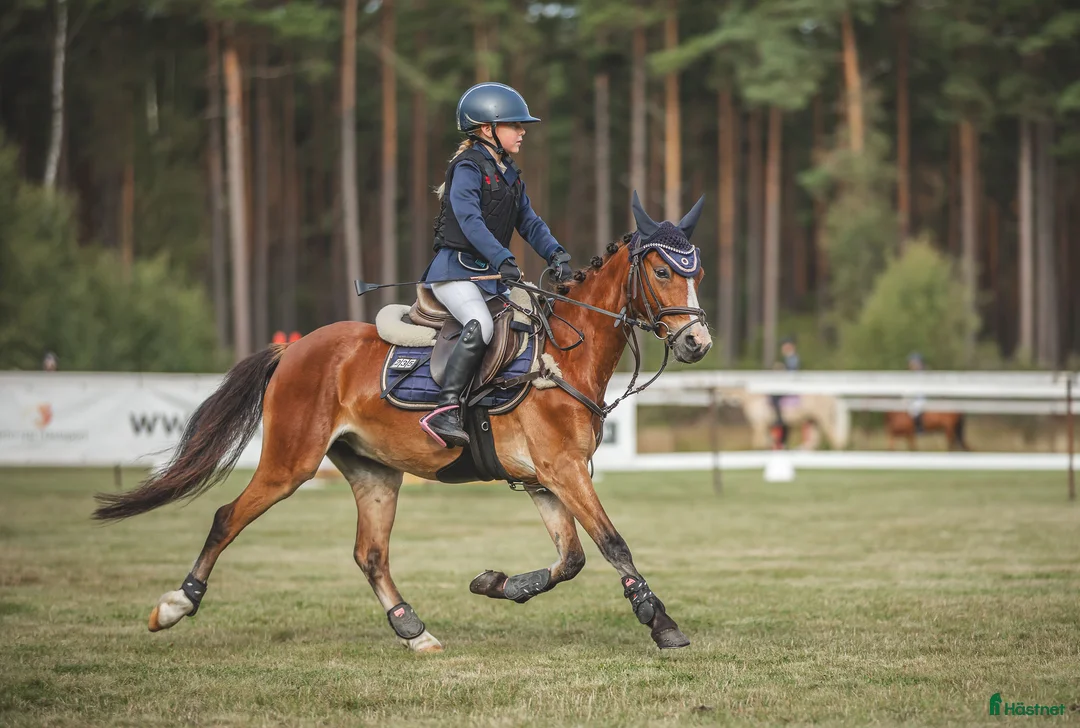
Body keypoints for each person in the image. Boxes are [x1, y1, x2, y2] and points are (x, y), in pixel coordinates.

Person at [418, 82, 573, 449]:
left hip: (487, 278)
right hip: (454, 272)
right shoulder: (468, 167)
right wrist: (503, 258)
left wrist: (556, 253)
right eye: (515, 126)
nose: (522, 132)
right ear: (487, 129)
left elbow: (530, 222)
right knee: (481, 324)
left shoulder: (509, 173)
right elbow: (470, 220)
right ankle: (443, 411)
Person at [769, 337, 800, 448]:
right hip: (788, 384)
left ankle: (778, 418)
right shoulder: (790, 358)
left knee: (774, 396)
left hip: (789, 386)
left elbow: (791, 372)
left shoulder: (792, 359)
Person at [907, 351, 927, 433]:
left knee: (915, 409)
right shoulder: (911, 375)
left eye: (914, 363)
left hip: (920, 398)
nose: (912, 365)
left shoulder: (922, 375)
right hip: (913, 397)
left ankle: (919, 428)